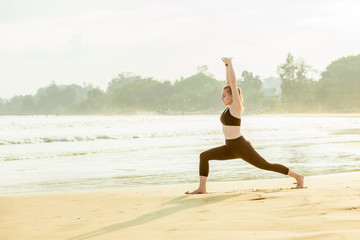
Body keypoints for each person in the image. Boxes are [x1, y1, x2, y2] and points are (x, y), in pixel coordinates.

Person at [186, 57, 304, 194]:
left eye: (224, 95)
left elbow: (233, 83)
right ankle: (202, 188)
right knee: (204, 156)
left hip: (241, 146)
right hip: (230, 146)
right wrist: (225, 66)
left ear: (232, 97)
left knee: (266, 165)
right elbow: (229, 83)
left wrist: (230, 63)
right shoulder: (228, 107)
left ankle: (298, 177)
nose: (222, 98)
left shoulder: (236, 107)